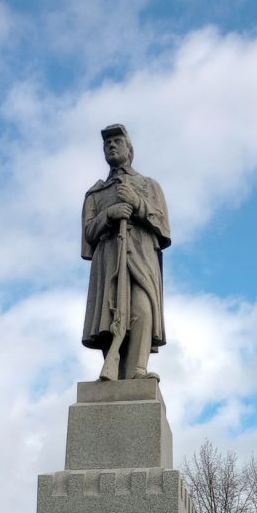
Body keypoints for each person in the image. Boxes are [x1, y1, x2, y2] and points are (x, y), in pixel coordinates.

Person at [81, 124, 170, 380]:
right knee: (108, 317)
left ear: (129, 150)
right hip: (108, 259)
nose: (111, 145)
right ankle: (115, 372)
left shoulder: (149, 186)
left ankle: (137, 371)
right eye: (107, 143)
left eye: (117, 141)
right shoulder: (96, 193)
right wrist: (109, 215)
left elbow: (163, 227)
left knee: (142, 309)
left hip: (142, 257)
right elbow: (88, 234)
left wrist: (137, 203)